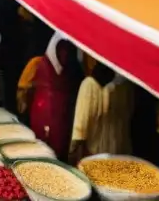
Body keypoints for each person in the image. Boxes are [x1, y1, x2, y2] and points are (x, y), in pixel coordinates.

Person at [21, 32, 82, 160]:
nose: (65, 56)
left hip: (64, 120)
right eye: (62, 51)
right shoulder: (40, 65)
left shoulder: (71, 72)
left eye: (67, 52)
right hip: (45, 119)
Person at [69, 63, 134, 162]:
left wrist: (73, 150)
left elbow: (80, 126)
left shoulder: (89, 85)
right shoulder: (125, 86)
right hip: (119, 154)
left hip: (94, 154)